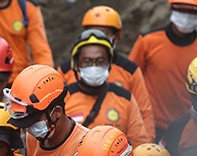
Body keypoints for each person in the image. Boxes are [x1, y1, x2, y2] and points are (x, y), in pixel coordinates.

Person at [58, 5, 155, 135]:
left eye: (103, 33)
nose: (96, 36)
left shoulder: (129, 71)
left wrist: (145, 148)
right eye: (91, 31)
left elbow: (144, 112)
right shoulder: (65, 70)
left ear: (117, 36)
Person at [129, 0, 197, 139]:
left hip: (189, 127)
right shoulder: (148, 41)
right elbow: (129, 77)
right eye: (182, 10)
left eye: (193, 11)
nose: (186, 16)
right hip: (151, 126)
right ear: (172, 9)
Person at [64, 30, 151, 145]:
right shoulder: (64, 98)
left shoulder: (125, 98)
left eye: (100, 61)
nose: (94, 67)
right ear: (76, 64)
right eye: (87, 61)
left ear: (109, 64)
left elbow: (139, 144)